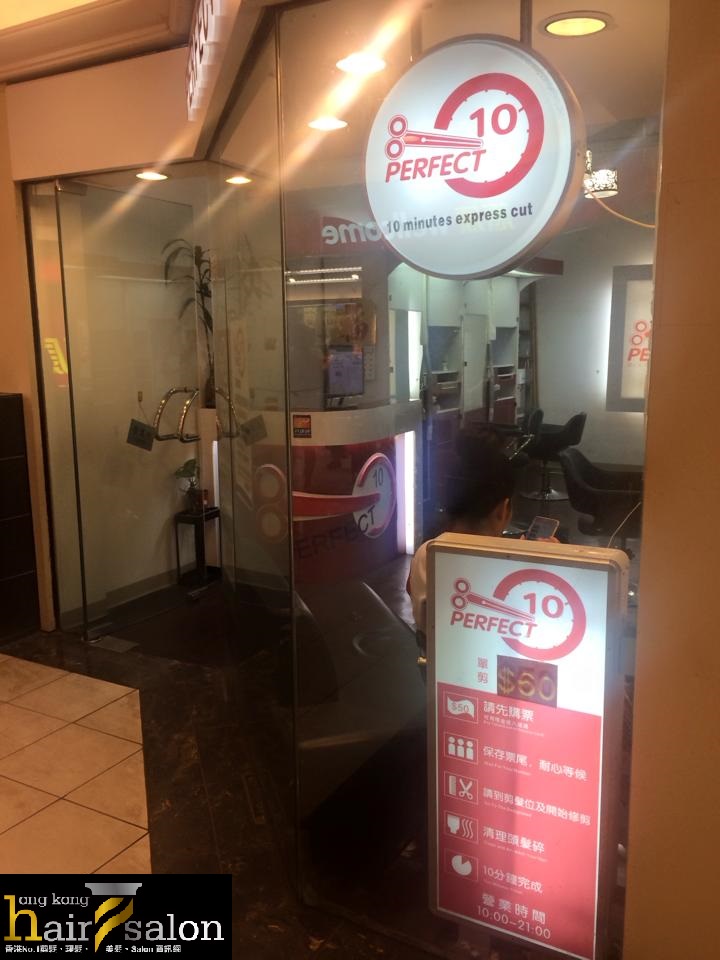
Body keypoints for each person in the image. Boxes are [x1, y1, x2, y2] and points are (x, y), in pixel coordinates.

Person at [408, 444, 515, 653]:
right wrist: (550, 560)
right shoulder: (511, 567)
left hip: (435, 664)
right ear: (502, 511)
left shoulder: (426, 553)